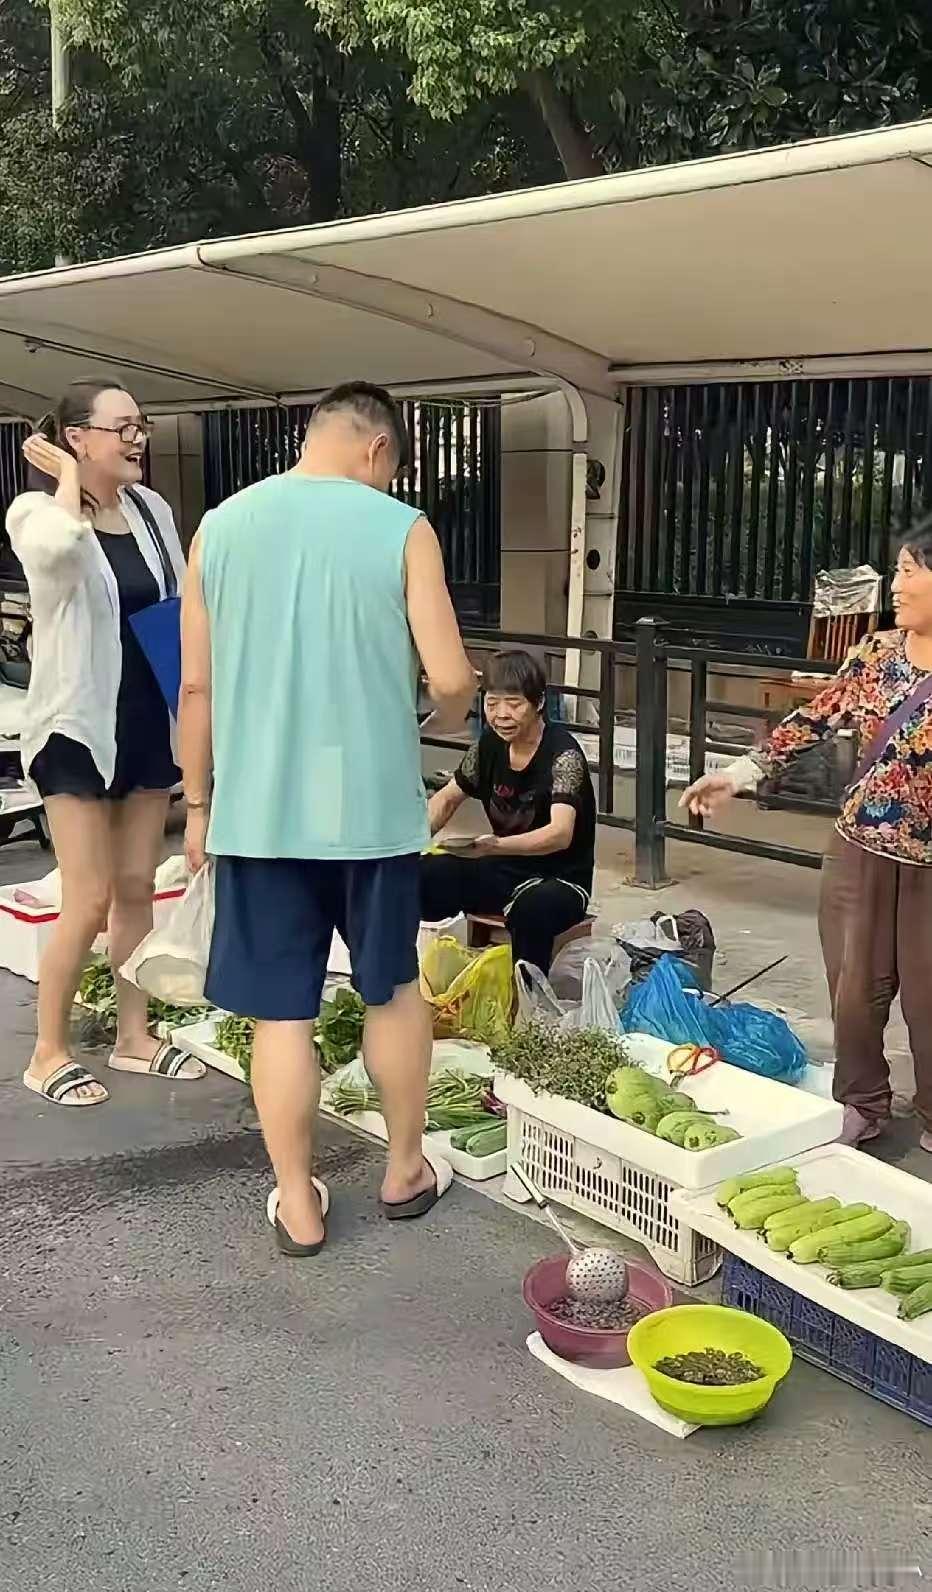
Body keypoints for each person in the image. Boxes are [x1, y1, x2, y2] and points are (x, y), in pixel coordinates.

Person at [179, 380, 476, 1257]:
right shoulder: (403, 529)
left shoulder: (220, 527)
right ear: (378, 449)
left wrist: (197, 805)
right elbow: (455, 680)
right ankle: (404, 1171)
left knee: (282, 1015)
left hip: (258, 810)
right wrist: (432, 714)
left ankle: (298, 1207)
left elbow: (194, 686)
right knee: (389, 990)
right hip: (370, 809)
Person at [681, 523, 932, 1153]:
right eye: (897, 570)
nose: (895, 586)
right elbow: (813, 719)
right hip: (858, 851)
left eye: (908, 571)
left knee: (931, 1003)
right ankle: (863, 1102)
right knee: (853, 990)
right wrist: (739, 775)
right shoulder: (875, 654)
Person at [7, 380, 204, 1108]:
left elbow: (181, 603)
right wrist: (63, 479)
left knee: (134, 891)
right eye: (121, 427)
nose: (137, 438)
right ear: (76, 436)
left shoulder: (152, 510)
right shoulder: (35, 510)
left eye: (141, 425)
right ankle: (46, 1050)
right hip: (75, 727)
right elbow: (57, 557)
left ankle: (133, 1036)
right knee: (86, 898)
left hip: (147, 720)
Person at [420, 649, 595, 972]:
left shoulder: (564, 754)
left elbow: (559, 834)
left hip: (559, 880)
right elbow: (446, 799)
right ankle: (400, 987)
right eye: (491, 703)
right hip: (501, 869)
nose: (501, 714)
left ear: (539, 702)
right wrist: (409, 843)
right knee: (416, 876)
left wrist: (494, 846)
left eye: (513, 704)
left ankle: (527, 1008)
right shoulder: (489, 746)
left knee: (532, 910)